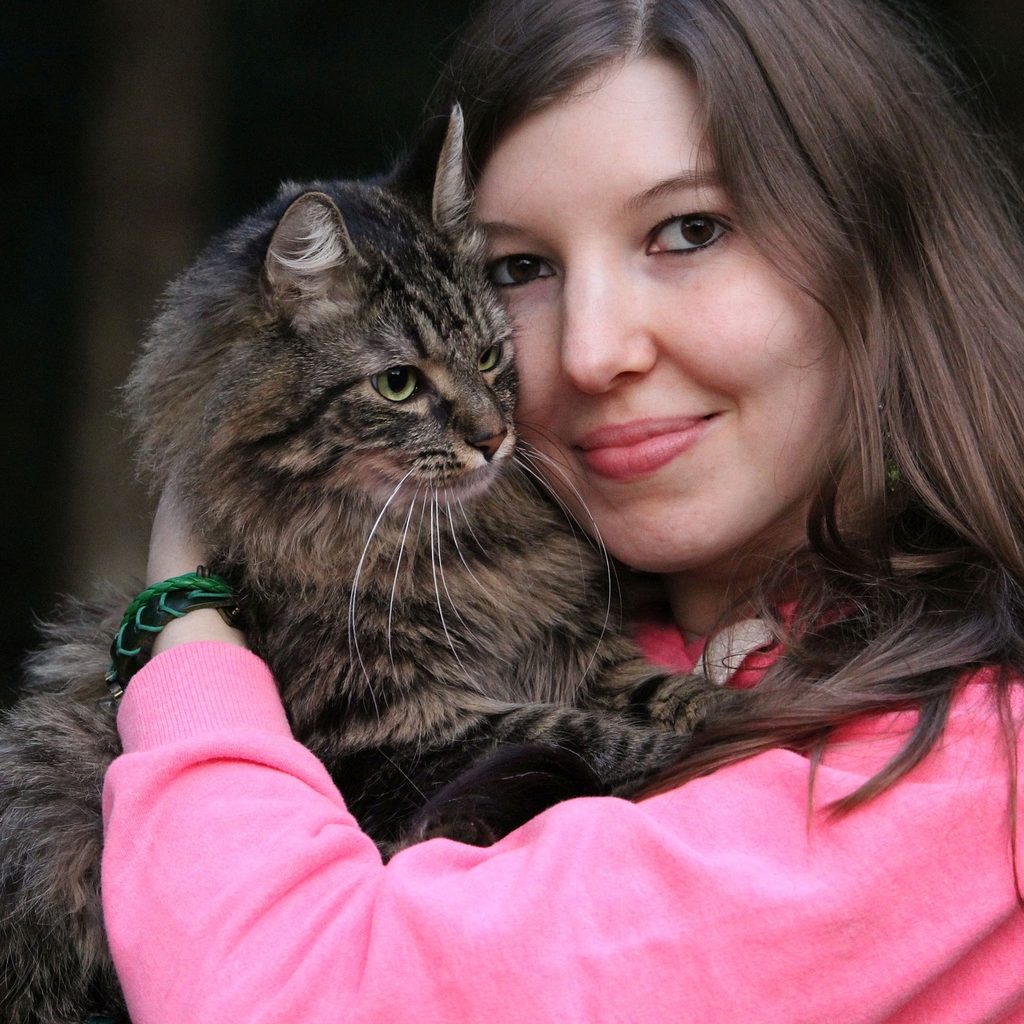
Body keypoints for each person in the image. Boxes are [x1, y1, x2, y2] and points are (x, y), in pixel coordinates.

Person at [101, 0, 1024, 1020]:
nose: (591, 351)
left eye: (688, 231)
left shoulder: (978, 764)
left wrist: (182, 627)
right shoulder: (597, 622)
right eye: (519, 270)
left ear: (883, 254)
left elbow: (290, 997)